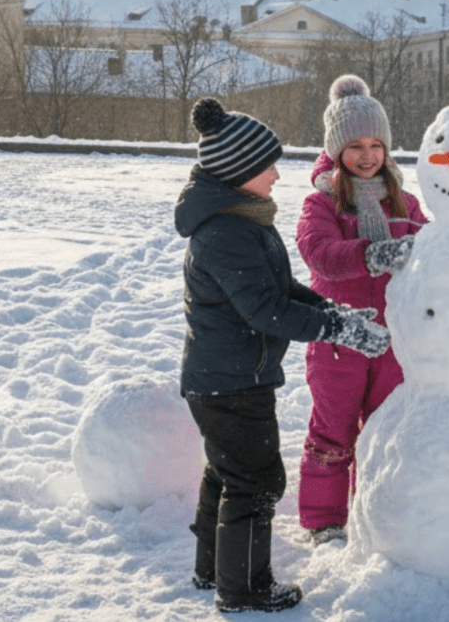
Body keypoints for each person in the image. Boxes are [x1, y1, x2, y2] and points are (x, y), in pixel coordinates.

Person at [175, 97, 392, 613]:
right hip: (231, 381)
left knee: (227, 473)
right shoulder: (227, 233)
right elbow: (267, 310)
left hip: (224, 375)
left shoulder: (242, 217)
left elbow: (281, 287)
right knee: (256, 481)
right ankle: (244, 589)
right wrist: (337, 327)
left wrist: (332, 311)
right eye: (266, 165)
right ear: (239, 172)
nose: (277, 172)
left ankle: (213, 568)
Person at [295, 75, 427, 545]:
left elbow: (432, 246)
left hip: (392, 343)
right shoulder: (323, 202)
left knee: (385, 433)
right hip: (339, 340)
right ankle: (324, 521)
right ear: (336, 151)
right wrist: (370, 255)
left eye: (376, 145)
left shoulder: (405, 202)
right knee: (333, 436)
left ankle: (375, 515)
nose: (367, 155)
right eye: (355, 146)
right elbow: (319, 254)